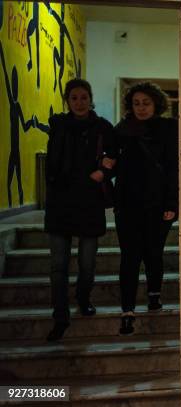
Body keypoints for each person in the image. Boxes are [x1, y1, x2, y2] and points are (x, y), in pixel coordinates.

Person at [44, 78, 115, 342]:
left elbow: (114, 158)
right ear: (67, 100)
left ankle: (83, 297)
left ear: (90, 98)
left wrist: (104, 171)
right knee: (58, 266)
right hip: (60, 203)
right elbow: (51, 162)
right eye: (74, 97)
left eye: (83, 97)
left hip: (89, 203)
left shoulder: (103, 127)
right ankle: (60, 317)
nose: (79, 102)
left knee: (87, 264)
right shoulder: (58, 125)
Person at [112, 82, 178, 336]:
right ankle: (127, 310)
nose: (141, 108)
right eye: (136, 103)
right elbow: (114, 165)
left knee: (153, 253)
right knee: (129, 257)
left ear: (156, 104)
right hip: (127, 204)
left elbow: (173, 168)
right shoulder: (120, 131)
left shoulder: (168, 129)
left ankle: (154, 295)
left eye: (146, 103)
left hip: (158, 204)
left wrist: (172, 203)